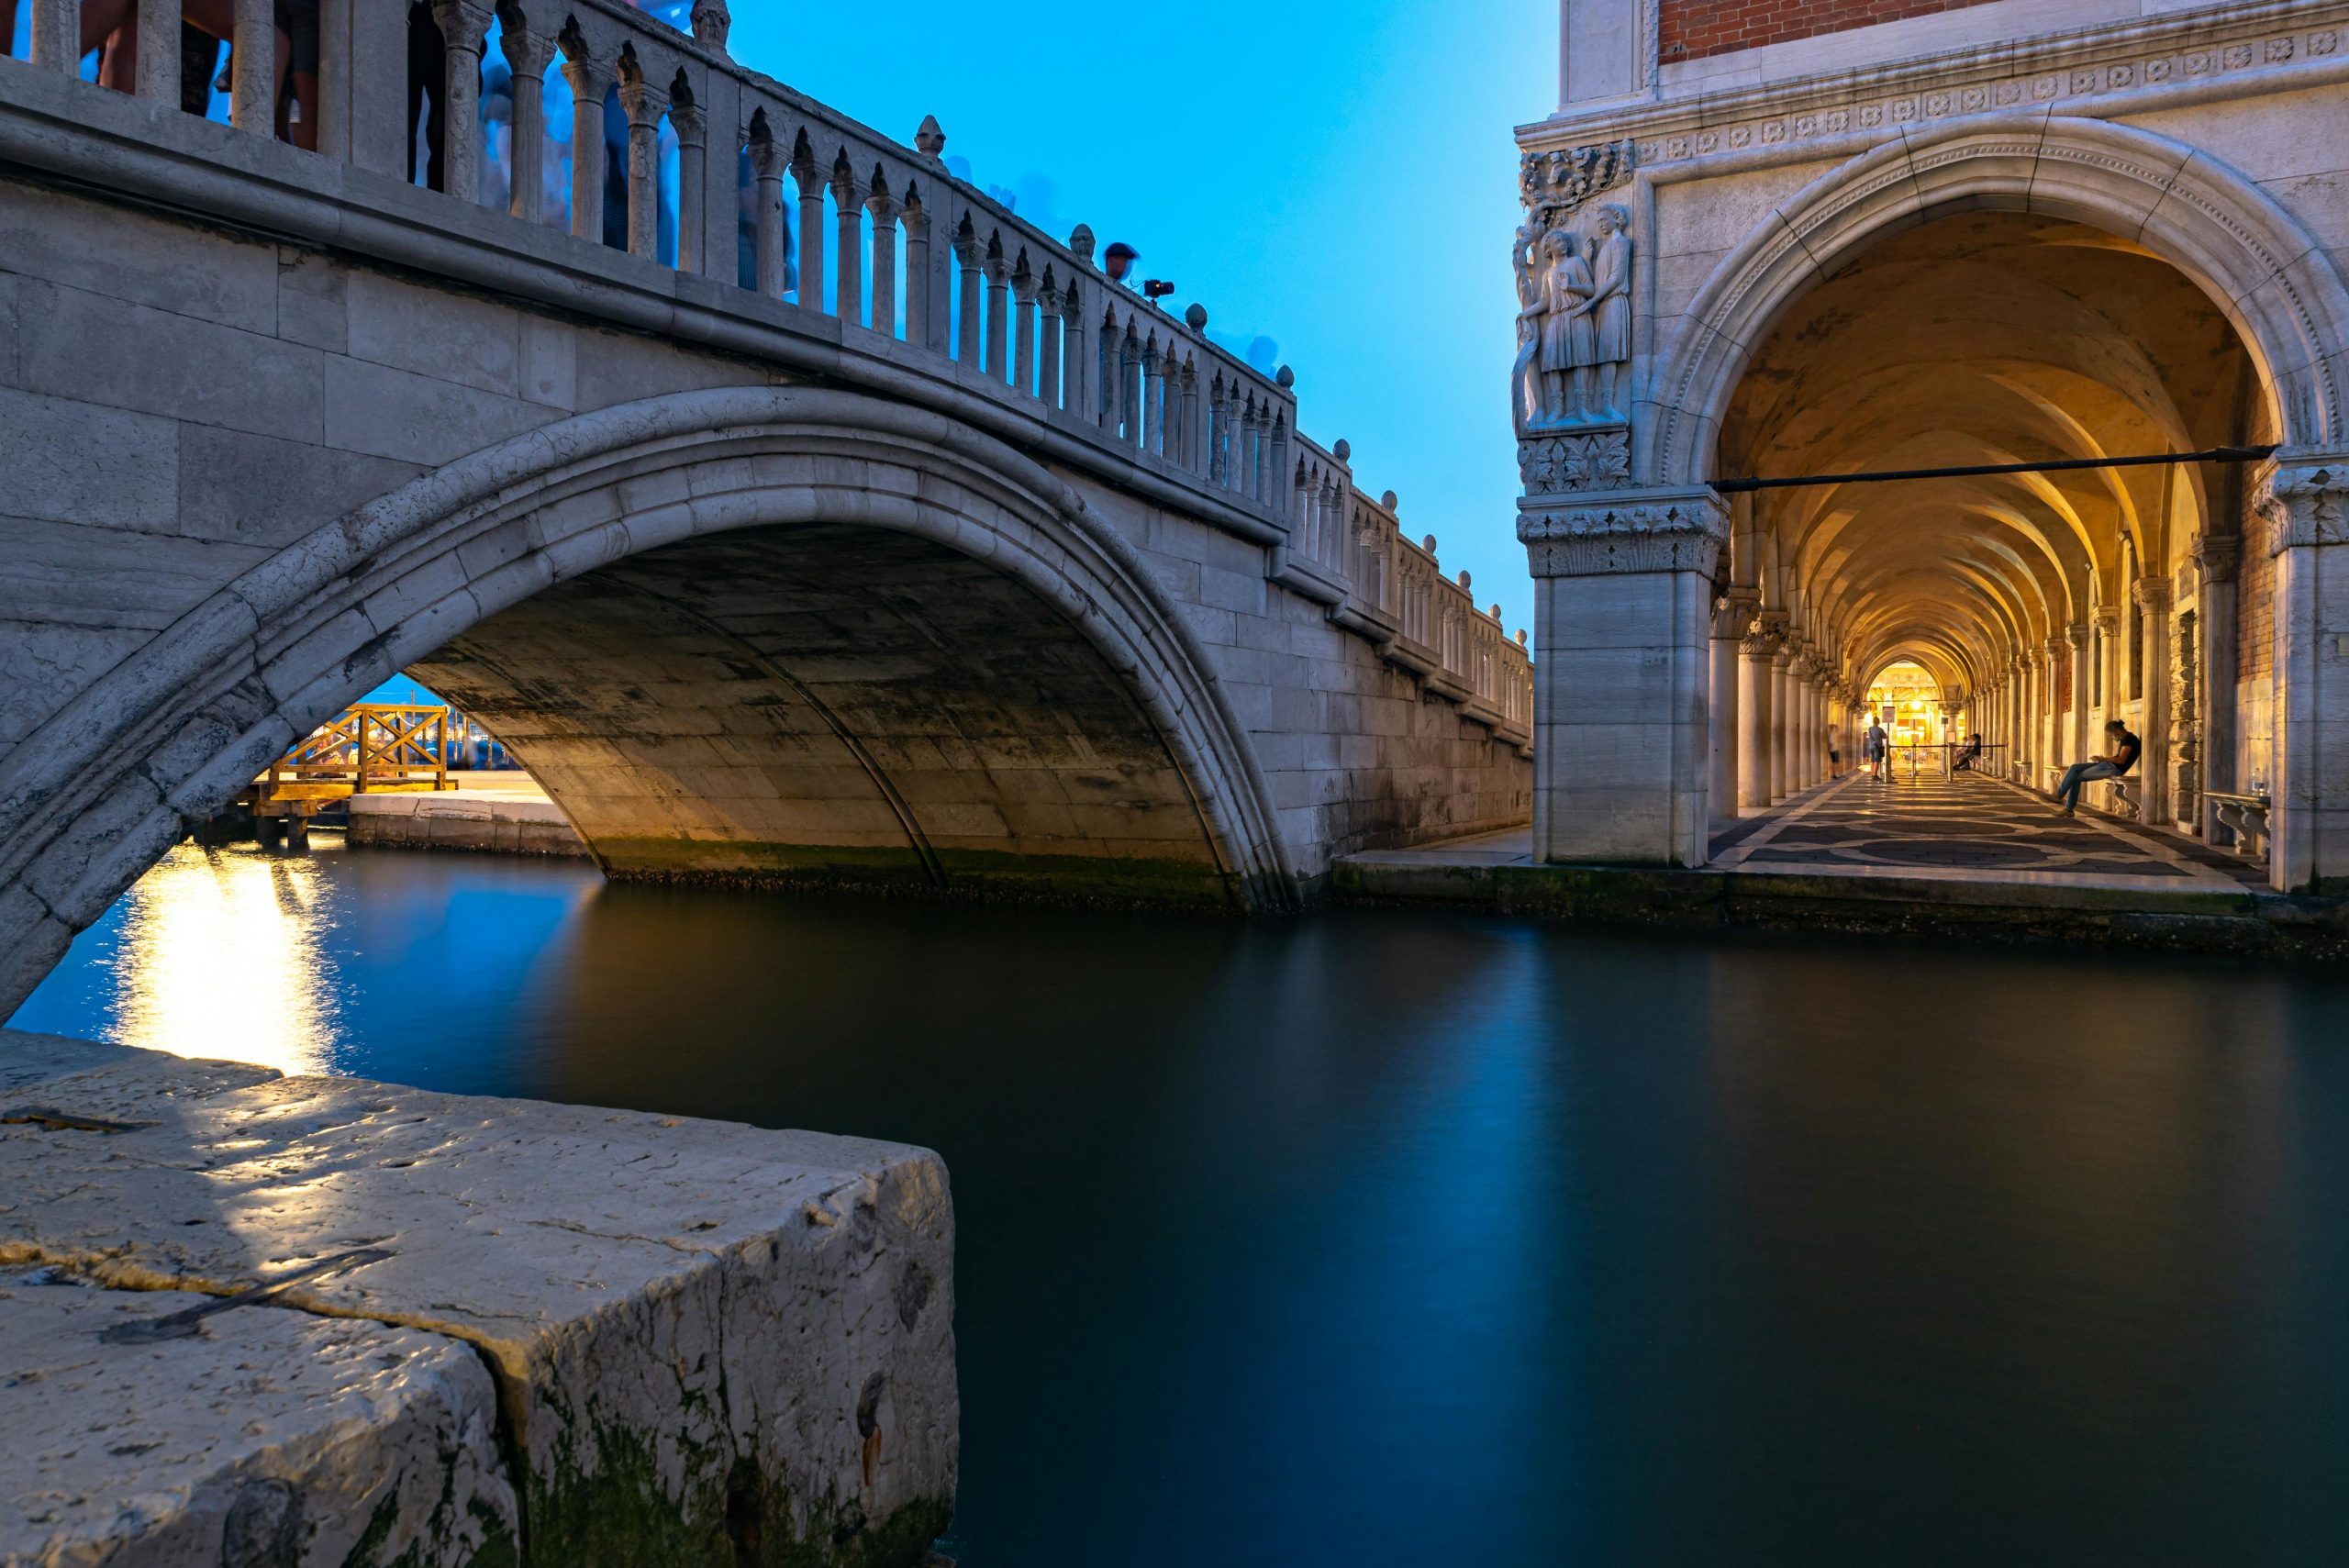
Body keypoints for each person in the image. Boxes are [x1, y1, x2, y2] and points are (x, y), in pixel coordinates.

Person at [2054, 720, 2142, 816]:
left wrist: (2103, 758)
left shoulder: (2129, 739)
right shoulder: (2126, 738)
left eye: (2111, 734)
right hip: (2107, 765)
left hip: (2112, 768)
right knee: (2074, 767)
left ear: (2116, 730)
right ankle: (2059, 795)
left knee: (2075, 777)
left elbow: (2121, 760)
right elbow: (2117, 757)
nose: (2111, 737)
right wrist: (2101, 759)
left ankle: (2067, 807)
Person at [1865, 717, 1890, 783]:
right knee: (1877, 761)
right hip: (1877, 747)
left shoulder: (1870, 729)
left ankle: (1872, 774)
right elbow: (1885, 736)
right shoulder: (1880, 729)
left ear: (1873, 722)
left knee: (1872, 761)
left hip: (1871, 747)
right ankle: (1875, 775)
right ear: (1878, 722)